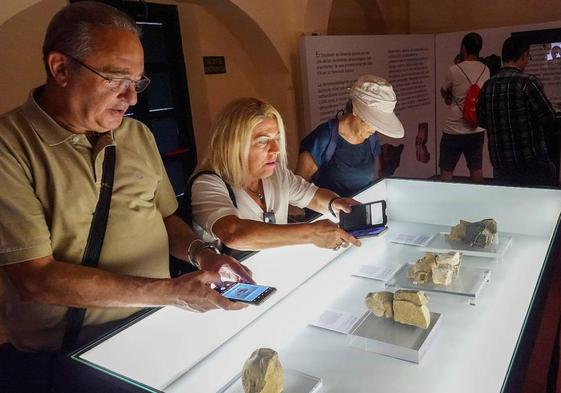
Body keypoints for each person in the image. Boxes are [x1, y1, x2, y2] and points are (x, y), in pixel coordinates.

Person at [0, 3, 251, 390]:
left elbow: (165, 219)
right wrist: (170, 292)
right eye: (116, 79)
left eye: (138, 82)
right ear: (60, 68)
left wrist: (204, 254)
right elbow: (36, 279)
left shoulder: (137, 136)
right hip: (72, 356)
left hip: (155, 327)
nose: (131, 98)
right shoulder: (9, 147)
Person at [191, 97, 362, 252]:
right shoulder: (207, 183)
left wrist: (335, 203)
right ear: (234, 144)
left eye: (276, 139)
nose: (276, 149)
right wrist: (311, 233)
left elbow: (313, 196)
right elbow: (233, 234)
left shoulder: (275, 174)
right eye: (263, 141)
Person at [295, 75, 404, 198]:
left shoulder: (371, 138)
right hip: (327, 215)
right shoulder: (324, 138)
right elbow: (298, 189)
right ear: (356, 111)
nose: (375, 129)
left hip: (360, 212)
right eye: (373, 121)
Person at [477, 36, 558, 187]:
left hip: (501, 164)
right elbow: (549, 118)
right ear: (523, 55)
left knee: (507, 205)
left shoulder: (487, 86)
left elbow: (481, 121)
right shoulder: (528, 82)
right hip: (532, 163)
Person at [439, 32, 490, 182]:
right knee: (476, 169)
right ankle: (477, 201)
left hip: (454, 129)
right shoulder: (485, 69)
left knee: (446, 170)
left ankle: (446, 201)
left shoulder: (454, 70)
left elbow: (444, 90)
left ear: (463, 48)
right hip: (476, 128)